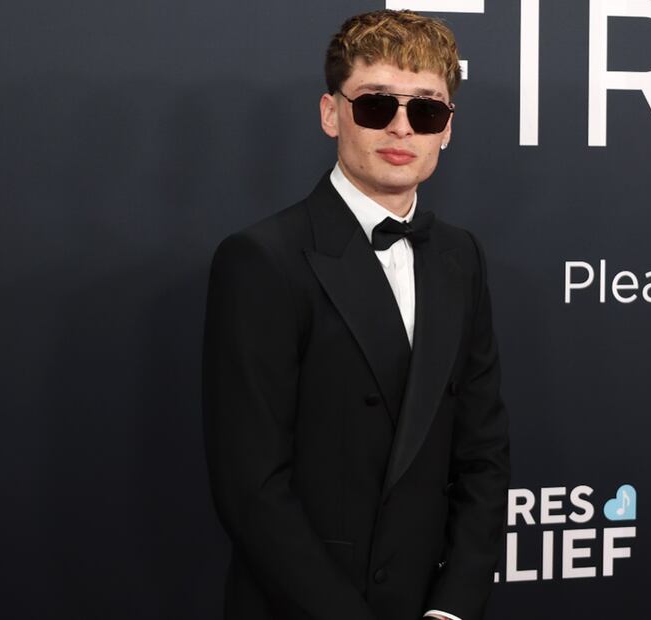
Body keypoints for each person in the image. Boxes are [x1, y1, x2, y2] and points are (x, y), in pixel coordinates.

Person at [202, 9, 510, 620]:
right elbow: (251, 488)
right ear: (330, 113)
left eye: (426, 111)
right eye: (375, 105)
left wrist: (451, 608)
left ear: (447, 129)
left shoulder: (460, 257)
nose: (402, 128)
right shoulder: (261, 259)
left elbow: (484, 453)